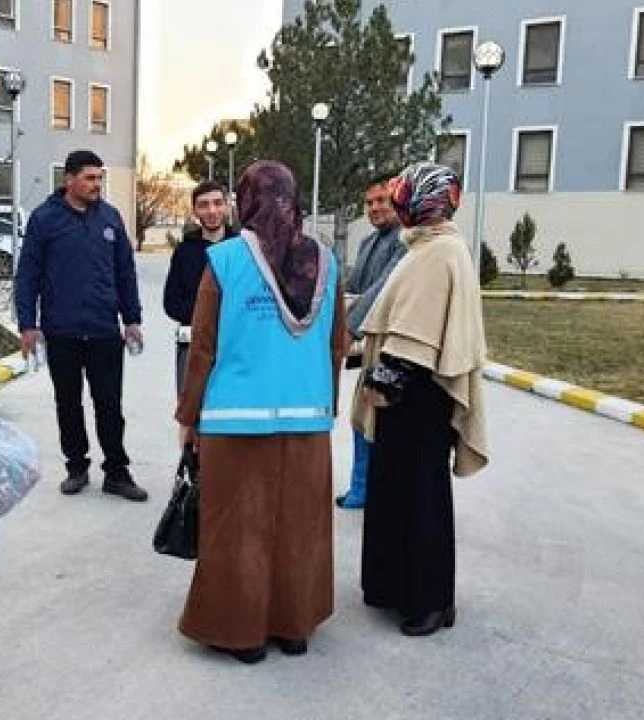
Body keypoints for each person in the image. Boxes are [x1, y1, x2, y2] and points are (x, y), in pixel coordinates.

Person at [175, 161, 348, 663]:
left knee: (237, 529)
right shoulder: (327, 262)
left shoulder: (225, 259)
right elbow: (337, 344)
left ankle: (242, 634)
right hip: (308, 418)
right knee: (299, 528)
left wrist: (188, 416)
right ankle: (293, 627)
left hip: (234, 420)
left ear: (245, 201)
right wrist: (327, 405)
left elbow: (203, 347)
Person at [352, 162, 489, 638]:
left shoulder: (440, 251)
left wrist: (385, 380)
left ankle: (430, 601)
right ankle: (393, 586)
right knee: (398, 491)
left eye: (403, 195)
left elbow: (417, 330)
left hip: (417, 397)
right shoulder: (429, 246)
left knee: (419, 497)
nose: (397, 203)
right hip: (410, 395)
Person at [15, 150, 148, 502]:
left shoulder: (110, 218)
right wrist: (27, 324)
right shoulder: (45, 219)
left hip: (104, 331)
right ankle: (76, 468)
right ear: (69, 179)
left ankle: (116, 472)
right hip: (62, 332)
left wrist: (131, 319)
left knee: (109, 405)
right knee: (68, 404)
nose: (96, 184)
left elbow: (125, 272)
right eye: (90, 178)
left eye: (99, 178)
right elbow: (27, 275)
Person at [337, 177, 407, 510]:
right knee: (361, 415)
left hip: (394, 345)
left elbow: (383, 288)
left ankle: (376, 491)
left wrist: (349, 329)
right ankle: (361, 488)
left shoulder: (405, 241)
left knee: (382, 419)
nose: (375, 208)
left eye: (383, 201)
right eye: (369, 203)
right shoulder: (368, 242)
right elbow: (355, 287)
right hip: (370, 346)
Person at [163, 181, 237, 394]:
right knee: (190, 405)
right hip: (193, 343)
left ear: (227, 206)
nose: (212, 211)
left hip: (234, 344)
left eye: (217, 203)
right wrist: (203, 317)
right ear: (195, 210)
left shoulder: (243, 248)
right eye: (204, 205)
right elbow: (171, 302)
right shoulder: (184, 251)